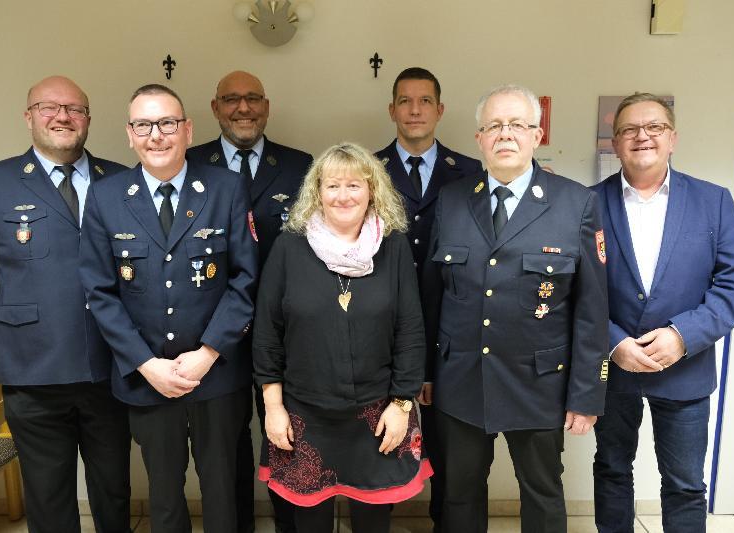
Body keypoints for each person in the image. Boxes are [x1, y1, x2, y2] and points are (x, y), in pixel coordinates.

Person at [421, 85, 609, 533]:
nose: (505, 134)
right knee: (458, 495)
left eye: (517, 125)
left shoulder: (576, 202)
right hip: (461, 379)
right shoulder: (451, 200)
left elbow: (591, 308)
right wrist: (424, 372)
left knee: (543, 494)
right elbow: (432, 296)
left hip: (539, 382)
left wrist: (586, 393)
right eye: (494, 126)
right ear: (479, 138)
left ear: (537, 135)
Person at [0, 75, 131, 533]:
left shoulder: (123, 181)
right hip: (33, 366)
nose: (63, 116)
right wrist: (24, 312)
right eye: (49, 107)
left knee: (113, 490)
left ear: (88, 119)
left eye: (74, 109)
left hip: (111, 365)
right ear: (28, 116)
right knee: (48, 496)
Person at [79, 84, 258, 533]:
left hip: (216, 376)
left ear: (186, 128)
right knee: (163, 493)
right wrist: (145, 364)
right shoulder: (106, 196)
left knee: (222, 492)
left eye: (167, 124)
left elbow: (245, 279)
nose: (156, 135)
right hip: (148, 380)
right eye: (144, 125)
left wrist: (208, 353)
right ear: (129, 133)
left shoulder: (225, 188)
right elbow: (100, 292)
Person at [253, 142, 433, 533]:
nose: (343, 195)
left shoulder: (394, 247)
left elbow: (410, 330)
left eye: (354, 185)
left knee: (372, 522)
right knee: (310, 522)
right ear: (316, 192)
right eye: (332, 185)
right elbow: (267, 333)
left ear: (372, 190)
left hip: (377, 414)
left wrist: (402, 404)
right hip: (305, 414)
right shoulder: (289, 247)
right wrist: (273, 407)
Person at [592, 93, 734, 533]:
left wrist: (682, 335)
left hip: (686, 367)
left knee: (683, 485)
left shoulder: (714, 201)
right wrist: (613, 341)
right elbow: (575, 288)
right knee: (612, 470)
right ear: (616, 143)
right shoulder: (586, 204)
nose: (642, 136)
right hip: (612, 367)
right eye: (629, 130)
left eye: (654, 127)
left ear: (673, 138)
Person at [187, 70, 312, 533]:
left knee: (289, 440)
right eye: (232, 99)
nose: (244, 108)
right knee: (224, 447)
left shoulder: (300, 166)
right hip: (212, 335)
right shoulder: (188, 163)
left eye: (253, 98)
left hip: (284, 334)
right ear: (215, 107)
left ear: (267, 105)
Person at [375, 66, 482, 532]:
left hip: (450, 328)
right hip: (382, 328)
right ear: (392, 109)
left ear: (440, 110)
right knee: (377, 442)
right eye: (405, 101)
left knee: (450, 450)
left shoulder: (472, 173)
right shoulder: (368, 171)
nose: (414, 110)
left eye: (424, 101)